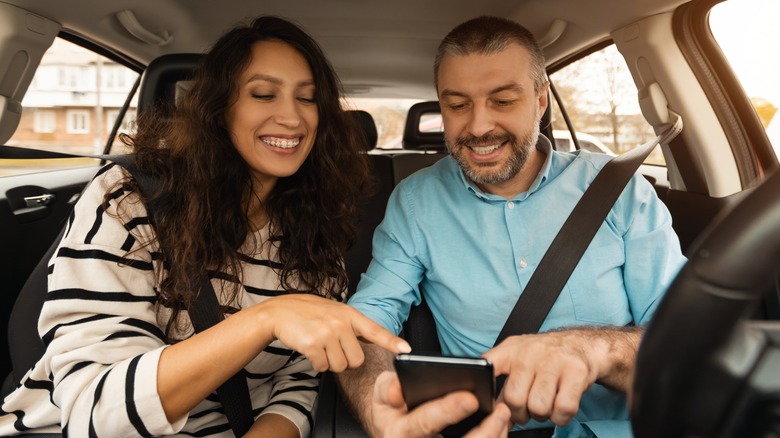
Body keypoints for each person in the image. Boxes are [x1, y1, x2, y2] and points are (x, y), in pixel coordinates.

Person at [0, 16, 410, 437]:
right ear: (219, 109)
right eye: (264, 94)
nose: (292, 117)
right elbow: (96, 413)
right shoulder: (128, 201)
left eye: (307, 100)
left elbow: (299, 379)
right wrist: (265, 319)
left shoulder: (316, 237)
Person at [338, 15, 686, 437]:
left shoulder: (620, 191)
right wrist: (379, 409)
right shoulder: (415, 203)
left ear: (541, 101)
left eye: (502, 100)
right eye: (457, 104)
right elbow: (366, 324)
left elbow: (686, 339)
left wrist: (594, 349)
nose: (479, 126)